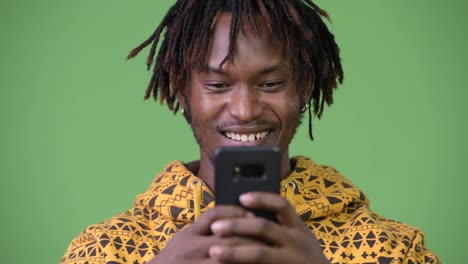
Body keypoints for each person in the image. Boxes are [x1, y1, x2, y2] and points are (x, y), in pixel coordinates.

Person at [60, 0, 439, 263]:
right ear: (181, 89)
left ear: (304, 88)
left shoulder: (393, 249)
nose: (245, 111)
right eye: (218, 85)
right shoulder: (105, 250)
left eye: (271, 84)